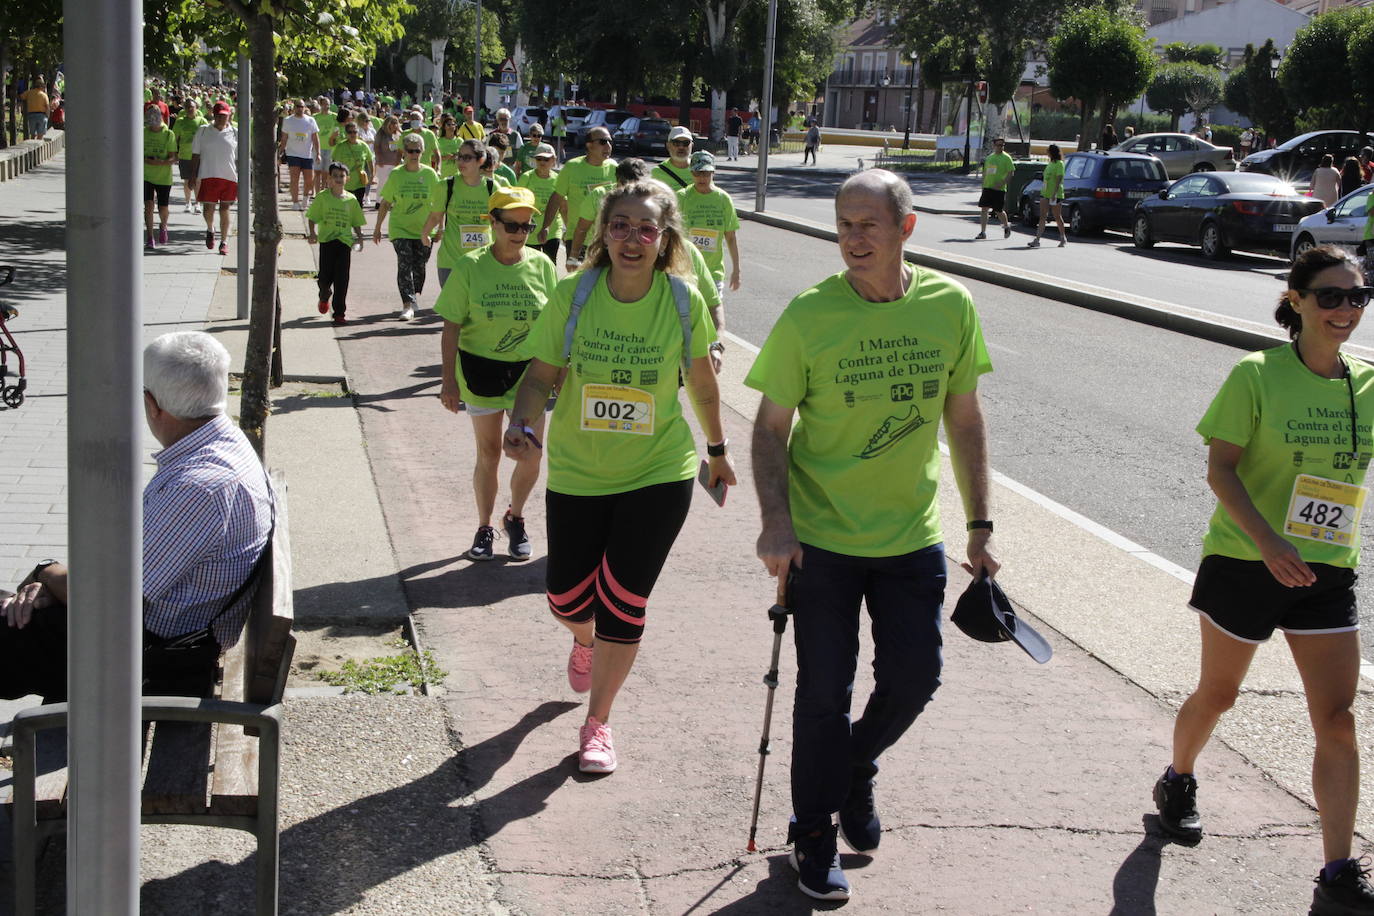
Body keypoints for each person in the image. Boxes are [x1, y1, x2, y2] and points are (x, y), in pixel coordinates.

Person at [746, 169, 997, 901]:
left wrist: (979, 523)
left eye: (869, 225)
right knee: (823, 691)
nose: (853, 239)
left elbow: (966, 417)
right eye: (843, 224)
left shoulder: (951, 305)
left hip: (911, 537)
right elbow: (768, 430)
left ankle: (855, 765)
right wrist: (776, 521)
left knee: (916, 679)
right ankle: (814, 829)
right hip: (821, 540)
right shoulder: (808, 315)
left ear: (905, 229)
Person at [1154, 245, 1374, 916]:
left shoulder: (1365, 383)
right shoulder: (1256, 375)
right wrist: (1269, 540)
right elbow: (1221, 470)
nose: (1345, 310)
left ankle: (1338, 869)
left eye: (1358, 298)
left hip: (1326, 570)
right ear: (1298, 301)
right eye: (1331, 297)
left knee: (1337, 721)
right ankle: (1179, 779)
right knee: (1218, 697)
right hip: (1246, 562)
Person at [502, 179, 735, 774]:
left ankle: (598, 723)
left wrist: (716, 449)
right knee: (564, 597)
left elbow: (704, 384)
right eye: (621, 226)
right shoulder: (575, 294)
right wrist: (523, 422)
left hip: (659, 469)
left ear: (665, 240)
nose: (633, 239)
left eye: (647, 229)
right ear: (604, 232)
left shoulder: (681, 300)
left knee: (625, 602)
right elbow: (539, 374)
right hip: (580, 471)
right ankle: (583, 641)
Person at [0, 332, 273, 703]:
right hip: (152, 639)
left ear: (151, 403)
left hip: (144, 660)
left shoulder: (200, 487)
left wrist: (46, 572)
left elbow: (109, 599)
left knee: (12, 621)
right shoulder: (222, 444)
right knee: (13, 607)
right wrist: (52, 588)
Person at [436, 186, 558, 561]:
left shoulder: (542, 266)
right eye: (511, 225)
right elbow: (451, 327)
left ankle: (515, 518)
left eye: (526, 225)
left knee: (530, 454)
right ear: (493, 223)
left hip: (530, 375)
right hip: (481, 371)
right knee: (489, 453)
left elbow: (556, 326)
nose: (520, 232)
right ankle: (485, 526)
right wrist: (448, 380)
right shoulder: (470, 267)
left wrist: (561, 376)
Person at [374, 132, 441, 321]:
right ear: (404, 152)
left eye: (417, 151)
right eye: (410, 150)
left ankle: (414, 293)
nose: (413, 154)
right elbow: (386, 203)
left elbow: (438, 204)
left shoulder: (430, 174)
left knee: (420, 266)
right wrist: (378, 228)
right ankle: (407, 305)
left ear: (422, 152)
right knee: (404, 265)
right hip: (400, 229)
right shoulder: (396, 174)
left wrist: (440, 228)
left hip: (425, 230)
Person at [537, 126, 617, 271]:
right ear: (589, 145)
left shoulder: (614, 168)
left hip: (604, 240)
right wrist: (546, 226)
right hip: (577, 239)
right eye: (603, 142)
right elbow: (556, 198)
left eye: (610, 142)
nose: (608, 146)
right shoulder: (572, 167)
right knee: (579, 284)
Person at [421, 138, 498, 288]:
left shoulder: (492, 187)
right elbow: (436, 215)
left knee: (477, 309)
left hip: (482, 260)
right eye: (459, 156)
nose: (461, 161)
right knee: (452, 310)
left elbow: (499, 221)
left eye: (467, 158)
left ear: (480, 160)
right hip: (451, 260)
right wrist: (425, 234)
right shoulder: (446, 185)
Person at [306, 162, 367, 326]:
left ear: (347, 178)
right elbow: (312, 218)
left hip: (344, 242)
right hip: (327, 241)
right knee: (324, 277)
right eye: (335, 176)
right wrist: (312, 233)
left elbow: (356, 221)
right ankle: (324, 294)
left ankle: (339, 313)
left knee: (342, 278)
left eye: (342, 176)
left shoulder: (351, 200)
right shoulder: (323, 197)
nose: (339, 179)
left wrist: (360, 237)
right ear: (329, 178)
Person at [677, 150, 741, 303]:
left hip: (713, 273)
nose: (702, 178)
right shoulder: (682, 197)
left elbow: (731, 238)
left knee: (713, 318)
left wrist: (736, 270)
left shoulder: (723, 199)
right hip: (686, 272)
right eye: (697, 173)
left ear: (713, 173)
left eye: (706, 173)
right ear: (691, 173)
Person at [190, 101, 239, 256]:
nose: (221, 119)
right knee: (208, 209)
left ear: (229, 115)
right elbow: (195, 154)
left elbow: (240, 158)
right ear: (214, 115)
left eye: (224, 116)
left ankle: (224, 242)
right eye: (218, 116)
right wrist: (192, 175)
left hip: (229, 177)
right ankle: (210, 229)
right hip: (207, 175)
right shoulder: (203, 131)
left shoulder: (235, 133)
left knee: (225, 209)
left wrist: (244, 179)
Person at [517, 142, 563, 261]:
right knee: (532, 265)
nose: (542, 162)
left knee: (550, 263)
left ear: (554, 160)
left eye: (546, 159)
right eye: (539, 158)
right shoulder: (526, 177)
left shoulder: (559, 180)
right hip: (531, 230)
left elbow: (564, 206)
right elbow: (518, 203)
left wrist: (570, 232)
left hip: (553, 230)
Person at [143, 105, 178, 251]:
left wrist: (159, 162)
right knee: (149, 206)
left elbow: (173, 158)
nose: (153, 126)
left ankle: (163, 226)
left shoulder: (168, 134)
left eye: (155, 123)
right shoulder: (143, 132)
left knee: (163, 207)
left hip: (163, 177)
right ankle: (150, 236)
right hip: (146, 175)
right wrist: (146, 159)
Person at [278, 98, 320, 210]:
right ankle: (295, 202)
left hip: (307, 155)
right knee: (294, 179)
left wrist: (318, 153)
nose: (300, 109)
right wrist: (280, 152)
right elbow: (284, 138)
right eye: (298, 106)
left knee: (309, 180)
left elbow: (315, 138)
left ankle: (305, 199)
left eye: (302, 106)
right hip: (293, 154)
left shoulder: (310, 120)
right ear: (294, 108)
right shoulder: (288, 120)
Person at [171, 98, 207, 213]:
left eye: (192, 107)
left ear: (196, 108)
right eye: (187, 107)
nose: (190, 109)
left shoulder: (202, 121)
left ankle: (198, 203)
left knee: (198, 180)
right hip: (184, 155)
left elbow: (209, 137)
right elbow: (174, 138)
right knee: (187, 181)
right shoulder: (180, 121)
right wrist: (174, 153)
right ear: (185, 109)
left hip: (199, 156)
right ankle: (188, 203)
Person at [1028, 143, 1067, 249]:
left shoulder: (1059, 164)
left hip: (1055, 194)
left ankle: (1063, 237)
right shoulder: (1050, 164)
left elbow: (1059, 179)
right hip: (1045, 193)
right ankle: (1037, 239)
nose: (1047, 153)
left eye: (1048, 151)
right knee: (1042, 216)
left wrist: (1054, 193)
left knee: (1057, 216)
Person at [330, 118, 374, 207]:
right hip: (344, 183)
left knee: (358, 207)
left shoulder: (363, 146)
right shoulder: (341, 147)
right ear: (346, 134)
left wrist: (372, 175)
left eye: (355, 132)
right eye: (350, 132)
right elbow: (335, 164)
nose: (353, 134)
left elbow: (369, 161)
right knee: (344, 207)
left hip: (359, 183)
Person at [976, 137, 1013, 240]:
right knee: (984, 209)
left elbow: (1011, 172)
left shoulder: (1006, 158)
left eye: (1002, 145)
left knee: (998, 210)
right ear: (994, 146)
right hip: (988, 187)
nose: (1000, 147)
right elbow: (985, 172)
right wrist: (983, 184)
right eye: (998, 145)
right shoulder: (989, 158)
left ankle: (1006, 226)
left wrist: (1002, 183)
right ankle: (983, 232)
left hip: (999, 189)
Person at [373, 115, 403, 210]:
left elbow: (401, 147)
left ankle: (391, 202)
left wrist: (399, 130)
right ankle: (379, 201)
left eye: (396, 123)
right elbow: (376, 147)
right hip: (383, 161)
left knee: (393, 183)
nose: (394, 125)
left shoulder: (397, 134)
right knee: (383, 182)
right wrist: (379, 158)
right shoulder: (381, 133)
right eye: (393, 123)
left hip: (395, 161)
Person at [652, 126, 694, 191]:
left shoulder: (700, 170)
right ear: (668, 146)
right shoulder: (657, 172)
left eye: (686, 143)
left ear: (692, 145)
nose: (681, 147)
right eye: (676, 143)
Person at [313, 97, 337, 195]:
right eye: (324, 104)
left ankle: (323, 190)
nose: (326, 106)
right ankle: (317, 192)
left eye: (328, 104)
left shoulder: (334, 117)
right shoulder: (315, 117)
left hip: (330, 148)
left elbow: (338, 129)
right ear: (320, 105)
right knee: (317, 171)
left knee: (326, 172)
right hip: (317, 147)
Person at [22, 75, 49, 140]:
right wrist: (47, 116)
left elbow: (22, 97)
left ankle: (33, 146)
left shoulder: (29, 92)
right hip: (41, 115)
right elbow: (47, 107)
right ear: (41, 86)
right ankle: (39, 147)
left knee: (33, 134)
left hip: (31, 115)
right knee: (40, 134)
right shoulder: (44, 95)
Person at [436, 114, 462, 178]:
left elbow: (465, 156)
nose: (451, 127)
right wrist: (444, 158)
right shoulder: (438, 141)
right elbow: (432, 158)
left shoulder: (460, 141)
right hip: (442, 175)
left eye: (453, 124)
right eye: (448, 125)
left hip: (457, 176)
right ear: (444, 127)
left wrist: (457, 156)